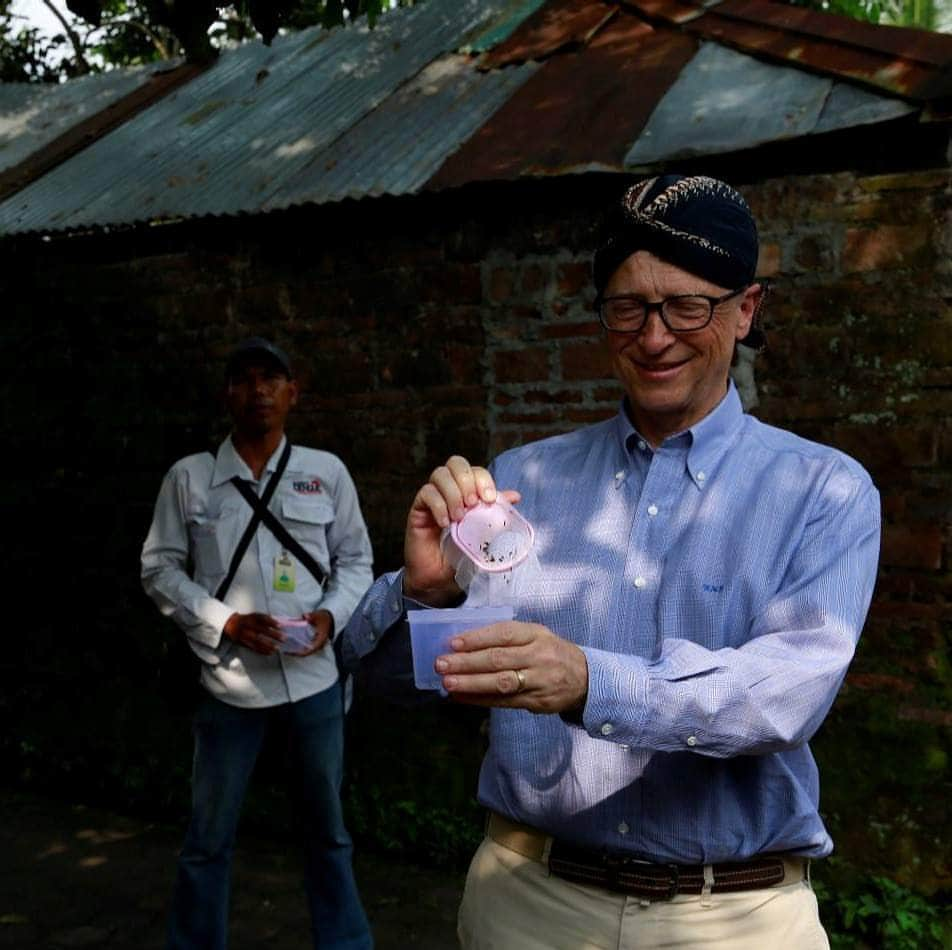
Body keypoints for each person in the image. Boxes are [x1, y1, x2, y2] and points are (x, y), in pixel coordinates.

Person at [341, 176, 881, 949]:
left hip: (734, 918)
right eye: (627, 307)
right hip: (528, 903)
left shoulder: (825, 491)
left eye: (687, 306)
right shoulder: (524, 482)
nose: (654, 337)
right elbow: (405, 686)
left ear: (747, 310)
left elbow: (785, 696)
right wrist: (426, 597)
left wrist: (592, 680)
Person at [141, 337, 373, 950]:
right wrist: (225, 621)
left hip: (315, 682)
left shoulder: (326, 474)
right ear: (228, 394)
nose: (258, 391)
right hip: (229, 686)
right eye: (243, 379)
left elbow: (356, 561)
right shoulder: (190, 479)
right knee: (208, 838)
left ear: (293, 392)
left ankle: (345, 943)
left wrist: (330, 617)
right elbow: (159, 569)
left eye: (271, 378)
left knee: (328, 831)